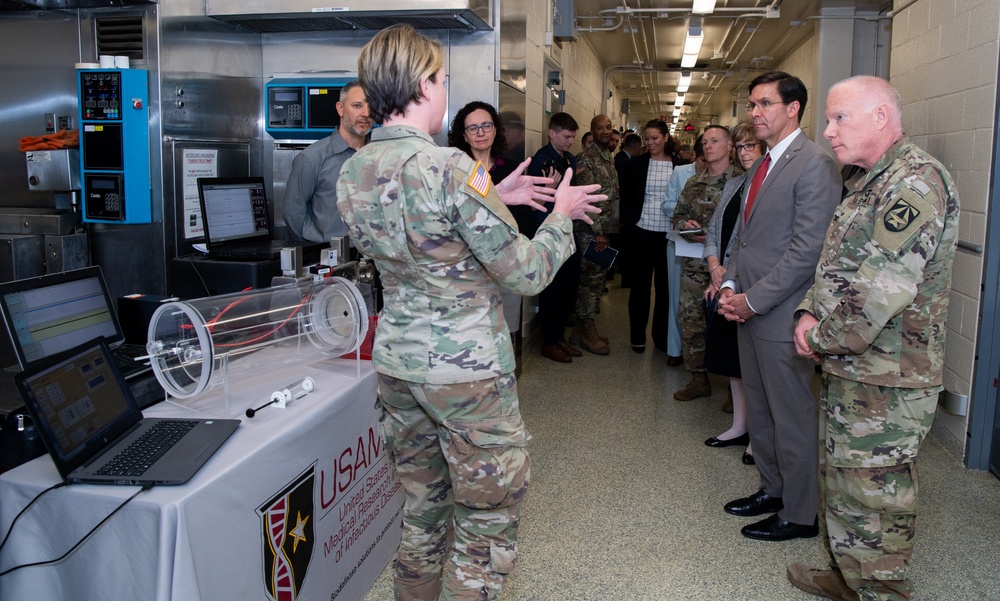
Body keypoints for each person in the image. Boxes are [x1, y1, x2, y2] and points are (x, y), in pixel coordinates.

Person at [336, 25, 604, 600]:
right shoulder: (451, 167)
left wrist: (494, 196)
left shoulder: (355, 169)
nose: (443, 89)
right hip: (466, 376)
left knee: (422, 513)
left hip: (399, 367)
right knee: (485, 526)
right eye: (438, 78)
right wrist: (561, 215)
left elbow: (422, 231)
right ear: (421, 86)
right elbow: (526, 271)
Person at [787, 76, 960, 601]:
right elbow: (835, 268)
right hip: (852, 368)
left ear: (882, 118)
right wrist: (805, 312)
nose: (828, 130)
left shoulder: (914, 184)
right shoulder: (865, 180)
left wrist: (819, 337)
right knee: (844, 483)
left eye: (841, 118)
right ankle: (847, 575)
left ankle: (881, 591)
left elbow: (877, 295)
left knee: (877, 493)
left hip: (889, 379)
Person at [716, 70, 841, 542]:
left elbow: (807, 252)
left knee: (790, 414)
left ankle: (801, 513)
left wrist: (753, 299)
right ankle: (772, 490)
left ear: (793, 108)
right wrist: (729, 285)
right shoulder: (761, 166)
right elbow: (743, 240)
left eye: (764, 103)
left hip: (783, 312)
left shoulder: (815, 165)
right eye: (752, 104)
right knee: (763, 411)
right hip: (748, 309)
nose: (755, 112)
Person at [702, 121, 765, 463]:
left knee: (754, 365)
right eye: (739, 147)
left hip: (752, 288)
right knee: (732, 361)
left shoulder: (771, 185)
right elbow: (715, 229)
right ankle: (739, 425)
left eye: (750, 146)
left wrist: (732, 278)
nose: (743, 154)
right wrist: (716, 271)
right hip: (725, 283)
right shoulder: (735, 184)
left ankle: (758, 435)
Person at [671, 125, 737, 400]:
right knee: (690, 321)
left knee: (732, 326)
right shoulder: (693, 182)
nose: (708, 146)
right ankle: (699, 378)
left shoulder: (741, 181)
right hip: (694, 266)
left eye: (715, 140)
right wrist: (685, 224)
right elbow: (676, 217)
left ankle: (738, 392)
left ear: (730, 146)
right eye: (705, 141)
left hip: (730, 267)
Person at [282, 80, 371, 242]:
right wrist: (315, 251)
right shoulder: (311, 158)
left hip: (375, 261)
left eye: (371, 106)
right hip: (330, 260)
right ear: (340, 108)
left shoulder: (382, 156)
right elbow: (293, 213)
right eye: (357, 106)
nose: (365, 113)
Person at [526, 112, 583, 363]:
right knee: (552, 288)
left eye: (573, 137)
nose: (571, 141)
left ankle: (559, 337)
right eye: (567, 136)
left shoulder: (569, 159)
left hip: (567, 228)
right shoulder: (541, 159)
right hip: (547, 229)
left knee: (568, 286)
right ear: (552, 133)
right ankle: (550, 341)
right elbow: (535, 202)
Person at [622, 120, 675, 353]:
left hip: (668, 235)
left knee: (664, 289)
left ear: (665, 137)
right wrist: (627, 227)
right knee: (640, 287)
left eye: (655, 138)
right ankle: (637, 337)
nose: (650, 142)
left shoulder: (680, 164)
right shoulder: (638, 163)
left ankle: (661, 338)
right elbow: (627, 196)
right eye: (647, 138)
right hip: (642, 232)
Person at [569, 114, 618, 355]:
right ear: (592, 131)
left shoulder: (608, 157)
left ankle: (578, 333)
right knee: (591, 282)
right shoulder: (585, 159)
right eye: (600, 128)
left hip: (603, 230)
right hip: (589, 231)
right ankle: (588, 333)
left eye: (608, 127)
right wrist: (599, 232)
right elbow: (585, 199)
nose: (606, 131)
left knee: (597, 280)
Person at [661, 135, 706, 366]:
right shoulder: (681, 173)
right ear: (694, 156)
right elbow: (666, 205)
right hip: (681, 243)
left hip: (708, 246)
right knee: (677, 298)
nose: (704, 167)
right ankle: (675, 349)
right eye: (701, 161)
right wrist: (685, 212)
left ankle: (702, 354)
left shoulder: (727, 176)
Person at [447, 101, 516, 185]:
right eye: (472, 128)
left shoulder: (512, 169)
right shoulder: (456, 172)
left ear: (494, 131)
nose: (481, 133)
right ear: (464, 136)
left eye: (486, 126)